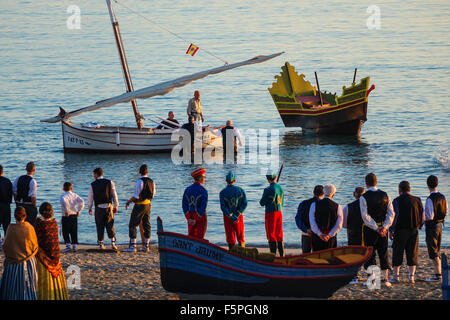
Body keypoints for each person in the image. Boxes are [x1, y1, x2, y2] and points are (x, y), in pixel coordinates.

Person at [360, 173, 395, 286]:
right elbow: (391, 213)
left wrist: (376, 228)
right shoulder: (386, 195)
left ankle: (373, 281)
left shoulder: (363, 197)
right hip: (383, 229)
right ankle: (386, 279)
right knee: (383, 251)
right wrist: (385, 227)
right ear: (377, 182)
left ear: (366, 183)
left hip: (370, 229)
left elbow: (365, 216)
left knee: (370, 253)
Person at [389, 181, 424, 284]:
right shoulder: (417, 200)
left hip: (400, 230)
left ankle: (396, 277)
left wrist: (391, 230)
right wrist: (420, 225)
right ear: (409, 189)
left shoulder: (396, 200)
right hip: (414, 230)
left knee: (397, 252)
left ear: (400, 190)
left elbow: (394, 217)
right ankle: (411, 277)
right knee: (412, 253)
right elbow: (422, 215)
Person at [0, 206, 39, 300]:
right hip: (28, 262)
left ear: (14, 216)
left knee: (12, 284)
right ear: (25, 216)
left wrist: (11, 255)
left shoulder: (10, 228)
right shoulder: (29, 227)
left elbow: (6, 246)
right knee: (27, 283)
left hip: (13, 262)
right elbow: (35, 245)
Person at [35, 202, 69, 300]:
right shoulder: (54, 222)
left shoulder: (39, 223)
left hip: (44, 256)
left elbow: (36, 238)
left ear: (41, 211)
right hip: (55, 255)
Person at [124, 164, 156, 253]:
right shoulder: (152, 182)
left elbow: (135, 196)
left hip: (139, 205)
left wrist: (128, 202)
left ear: (139, 172)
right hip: (148, 205)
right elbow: (153, 195)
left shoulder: (139, 181)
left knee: (133, 224)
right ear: (147, 172)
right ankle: (146, 246)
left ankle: (133, 247)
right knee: (147, 224)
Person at [88, 167, 119, 250]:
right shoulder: (110, 182)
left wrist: (89, 207)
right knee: (110, 225)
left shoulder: (93, 184)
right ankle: (113, 243)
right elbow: (114, 195)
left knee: (99, 225)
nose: (93, 176)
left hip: (99, 207)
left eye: (94, 174)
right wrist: (116, 206)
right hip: (109, 206)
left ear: (96, 174)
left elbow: (90, 197)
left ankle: (101, 244)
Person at [424, 175, 448, 282]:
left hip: (432, 226)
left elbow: (430, 216)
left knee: (433, 251)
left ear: (428, 185)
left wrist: (423, 219)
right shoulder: (443, 197)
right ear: (437, 184)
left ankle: (438, 275)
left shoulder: (430, 199)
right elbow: (446, 212)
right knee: (437, 249)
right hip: (440, 225)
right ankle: (438, 274)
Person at [309, 184, 343, 252]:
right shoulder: (338, 206)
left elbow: (312, 223)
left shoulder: (314, 205)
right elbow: (339, 225)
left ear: (324, 193)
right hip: (331, 238)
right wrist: (329, 235)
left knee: (317, 257)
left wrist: (320, 234)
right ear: (333, 194)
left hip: (317, 237)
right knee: (330, 257)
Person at [219, 171, 248, 250]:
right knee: (240, 236)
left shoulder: (222, 192)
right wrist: (237, 214)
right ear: (234, 180)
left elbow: (223, 207)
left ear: (226, 181)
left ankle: (232, 254)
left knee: (230, 236)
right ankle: (243, 255)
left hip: (227, 217)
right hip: (238, 217)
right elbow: (245, 203)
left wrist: (231, 215)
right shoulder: (240, 190)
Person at [259, 169, 284, 257]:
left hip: (270, 213)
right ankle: (282, 254)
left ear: (267, 179)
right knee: (279, 233)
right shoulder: (280, 187)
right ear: (275, 177)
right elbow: (282, 201)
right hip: (279, 211)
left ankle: (273, 255)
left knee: (271, 234)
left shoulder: (267, 189)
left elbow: (262, 203)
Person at [295, 185, 324, 254]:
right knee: (318, 256)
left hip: (306, 233)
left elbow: (298, 218)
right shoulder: (323, 205)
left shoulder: (303, 203)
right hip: (319, 233)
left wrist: (305, 229)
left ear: (313, 192)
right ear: (323, 194)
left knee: (305, 255)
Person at [182, 168, 208, 239]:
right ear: (200, 178)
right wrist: (197, 219)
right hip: (200, 216)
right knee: (200, 236)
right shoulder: (203, 191)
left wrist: (188, 218)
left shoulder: (187, 189)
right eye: (204, 177)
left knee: (191, 235)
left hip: (190, 215)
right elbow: (203, 206)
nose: (205, 178)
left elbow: (184, 205)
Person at [60, 182, 85, 253]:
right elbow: (82, 201)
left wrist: (67, 211)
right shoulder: (75, 195)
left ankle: (68, 246)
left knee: (65, 231)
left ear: (63, 188)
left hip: (66, 215)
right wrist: (79, 211)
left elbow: (64, 202)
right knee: (73, 230)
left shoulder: (63, 196)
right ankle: (74, 246)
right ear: (71, 188)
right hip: (74, 214)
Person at [13, 162, 38, 226]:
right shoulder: (33, 181)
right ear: (34, 170)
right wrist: (34, 206)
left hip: (19, 204)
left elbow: (14, 192)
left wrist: (16, 201)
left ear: (26, 169)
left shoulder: (18, 178)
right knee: (30, 225)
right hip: (29, 205)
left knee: (19, 224)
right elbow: (33, 196)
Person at [0, 165, 13, 249]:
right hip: (6, 206)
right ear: (2, 171)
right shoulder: (7, 181)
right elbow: (10, 194)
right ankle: (7, 244)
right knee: (6, 227)